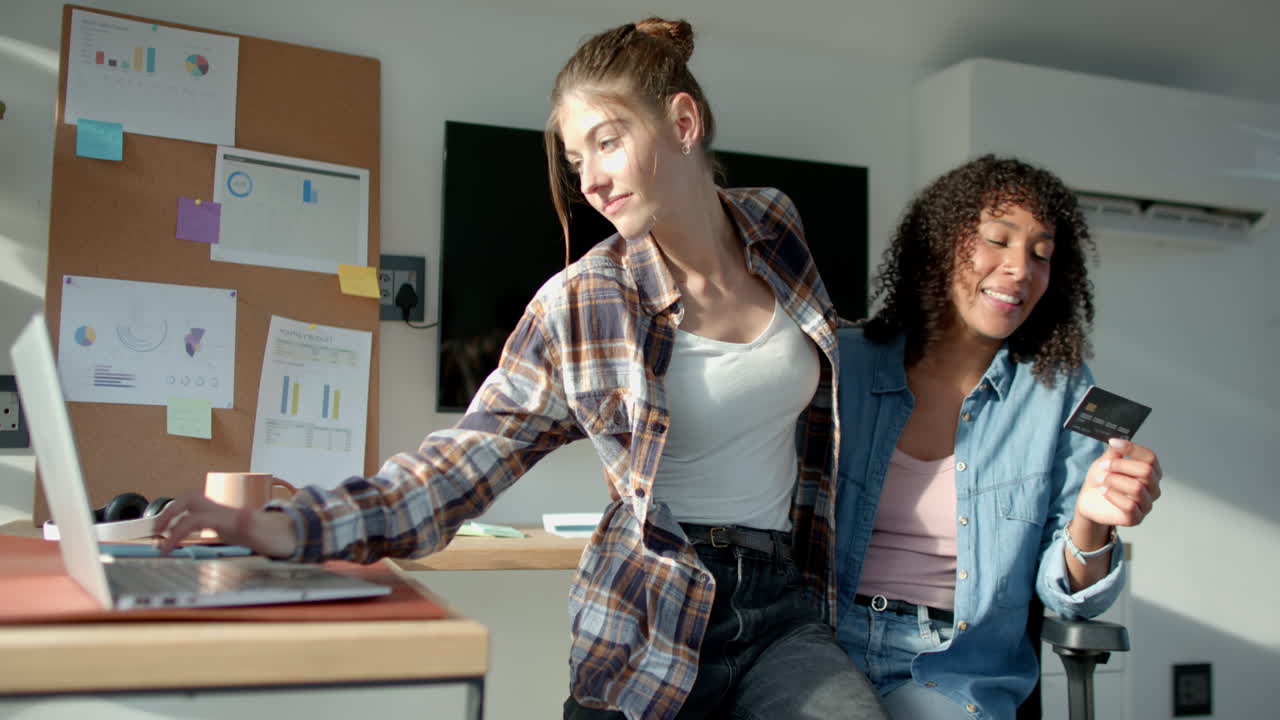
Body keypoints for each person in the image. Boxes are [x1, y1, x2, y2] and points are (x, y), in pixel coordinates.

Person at [155, 18, 886, 720]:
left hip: (784, 602)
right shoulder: (582, 302)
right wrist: (290, 525)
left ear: (684, 123)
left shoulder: (775, 223)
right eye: (576, 162)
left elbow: (838, 358)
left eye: (608, 142)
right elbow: (461, 463)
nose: (592, 181)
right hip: (651, 610)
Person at [833, 155, 1163, 719]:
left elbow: (1073, 597)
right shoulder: (846, 362)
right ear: (941, 244)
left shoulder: (1060, 392)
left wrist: (1092, 517)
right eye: (998, 240)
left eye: (1041, 254)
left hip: (954, 669)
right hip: (823, 650)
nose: (1020, 268)